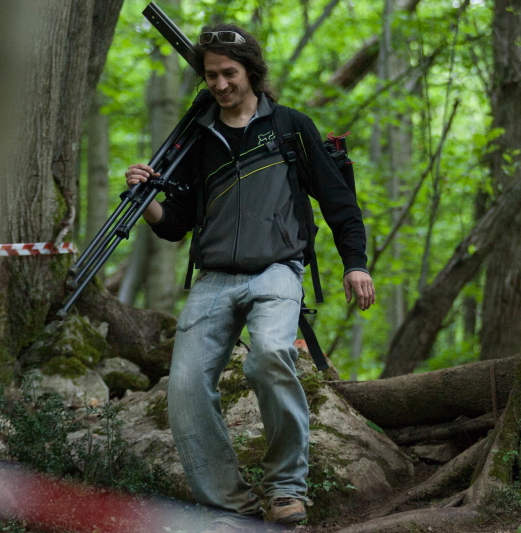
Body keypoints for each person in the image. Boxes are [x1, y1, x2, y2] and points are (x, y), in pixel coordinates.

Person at [125, 23, 375, 527]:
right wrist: (145, 198)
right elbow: (175, 225)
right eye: (211, 75)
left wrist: (355, 263)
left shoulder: (289, 127)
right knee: (185, 388)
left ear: (251, 72)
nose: (220, 84)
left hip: (278, 270)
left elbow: (338, 200)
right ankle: (232, 507)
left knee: (271, 355)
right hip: (213, 278)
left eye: (229, 73)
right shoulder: (197, 140)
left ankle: (285, 489)